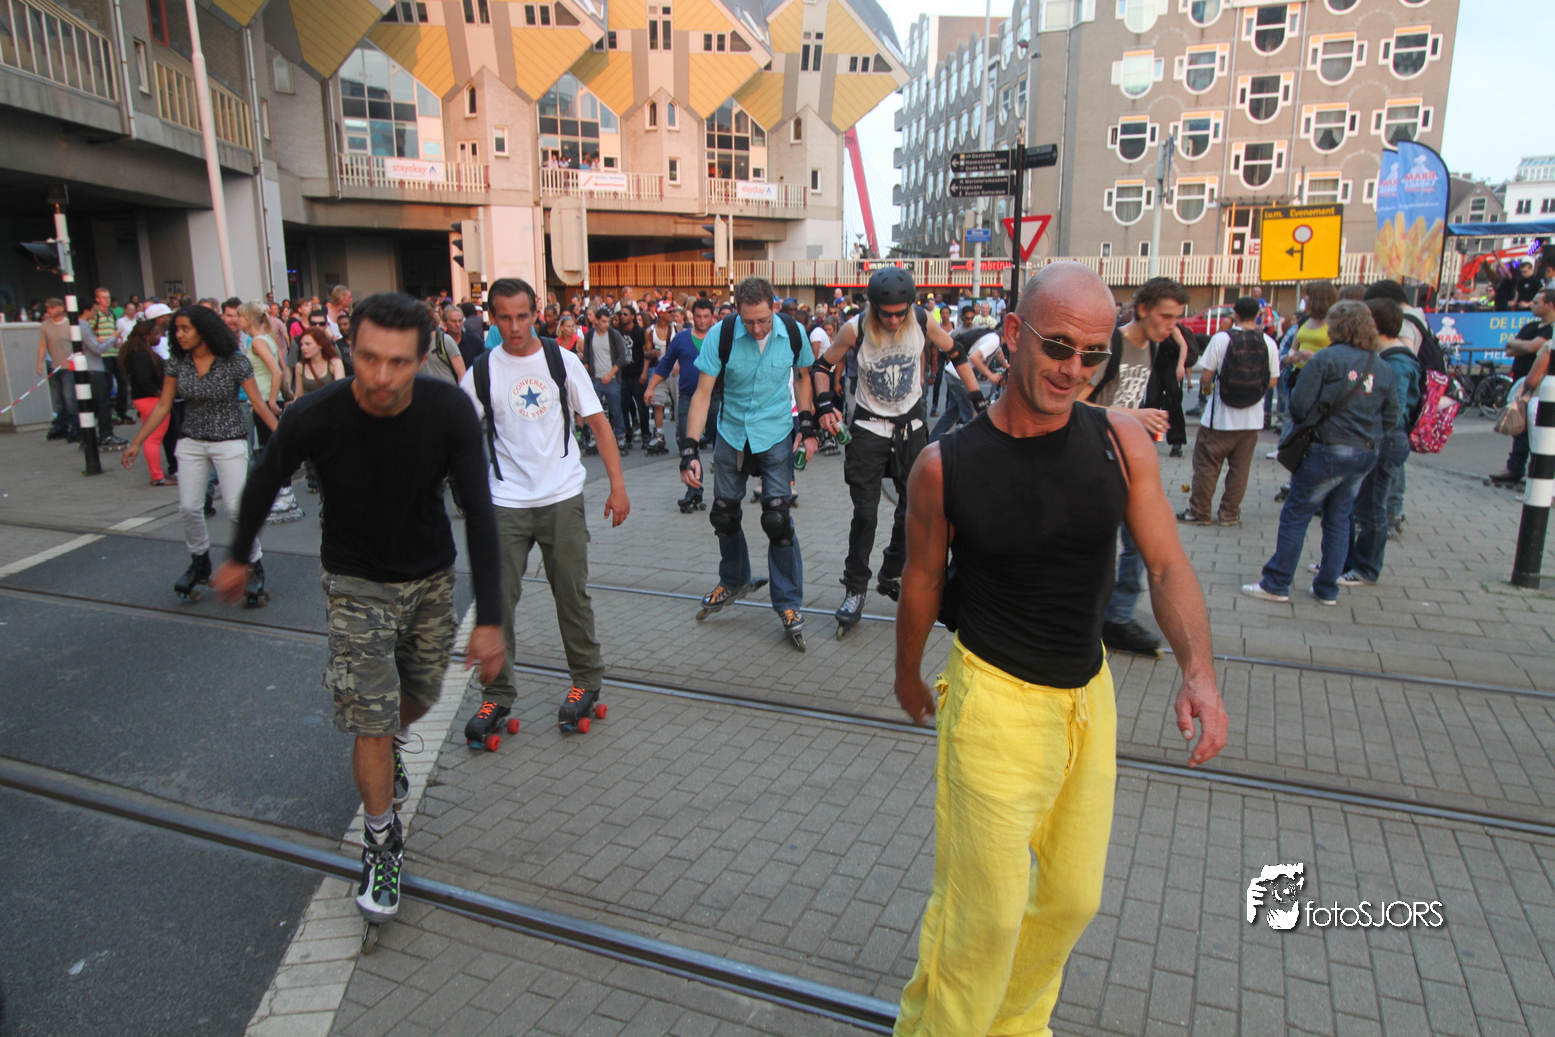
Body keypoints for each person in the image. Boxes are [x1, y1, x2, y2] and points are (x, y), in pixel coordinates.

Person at [891, 262, 1227, 1036]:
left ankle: (1011, 1024)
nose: (1074, 369)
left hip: (1087, 697)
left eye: (1093, 355)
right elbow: (920, 582)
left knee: (1073, 899)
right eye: (1058, 347)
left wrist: (1199, 674)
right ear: (1013, 335)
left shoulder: (1119, 440)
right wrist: (907, 672)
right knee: (983, 915)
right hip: (992, 701)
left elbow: (1166, 565)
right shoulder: (944, 465)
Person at [212, 291, 505, 930]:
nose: (380, 376)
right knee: (369, 720)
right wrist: (237, 556)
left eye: (398, 362)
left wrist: (490, 618)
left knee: (418, 697)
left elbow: (480, 510)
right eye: (368, 358)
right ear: (351, 350)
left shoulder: (449, 410)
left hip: (430, 577)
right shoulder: (313, 415)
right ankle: (381, 841)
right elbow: (264, 479)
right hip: (354, 580)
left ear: (423, 359)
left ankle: (394, 738)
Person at [458, 278, 629, 741]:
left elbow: (599, 424)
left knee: (571, 595)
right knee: (498, 602)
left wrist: (618, 486)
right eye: (504, 318)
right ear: (492, 318)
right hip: (505, 502)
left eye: (522, 316)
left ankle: (585, 681)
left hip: (561, 497)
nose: (515, 327)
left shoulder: (561, 361)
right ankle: (497, 695)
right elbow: (456, 434)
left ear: (536, 313)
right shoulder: (481, 372)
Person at [813, 267, 987, 633]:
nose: (893, 320)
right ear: (873, 307)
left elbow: (956, 352)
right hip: (868, 429)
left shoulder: (921, 320)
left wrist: (978, 400)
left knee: (915, 510)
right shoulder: (856, 328)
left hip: (911, 427)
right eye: (886, 314)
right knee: (866, 514)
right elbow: (822, 365)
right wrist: (825, 405)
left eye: (899, 313)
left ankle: (892, 570)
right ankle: (855, 588)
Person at [678, 277, 818, 649]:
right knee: (723, 515)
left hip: (775, 432)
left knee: (777, 519)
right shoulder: (721, 335)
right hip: (732, 433)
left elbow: (804, 377)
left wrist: (807, 425)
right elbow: (702, 394)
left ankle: (788, 604)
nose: (756, 329)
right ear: (737, 310)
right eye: (749, 321)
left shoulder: (792, 332)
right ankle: (734, 578)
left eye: (763, 320)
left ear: (774, 307)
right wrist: (689, 450)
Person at [1243, 301, 1397, 605]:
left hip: (1326, 447)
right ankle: (1327, 588)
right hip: (1364, 451)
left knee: (1296, 514)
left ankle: (1277, 582)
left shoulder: (1326, 358)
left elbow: (1299, 405)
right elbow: (1392, 415)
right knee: (1339, 518)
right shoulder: (1382, 366)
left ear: (1336, 326)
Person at [121, 306, 279, 601]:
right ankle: (199, 562)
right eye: (176, 330)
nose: (179, 335)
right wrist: (137, 442)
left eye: (186, 329)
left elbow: (258, 404)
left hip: (229, 439)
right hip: (191, 440)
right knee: (189, 508)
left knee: (236, 508)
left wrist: (285, 438)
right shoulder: (177, 363)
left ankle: (253, 565)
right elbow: (164, 405)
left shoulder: (234, 361)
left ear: (204, 331)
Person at [1081, 276, 1188, 658]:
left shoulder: (1153, 347)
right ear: (1143, 310)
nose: (1171, 326)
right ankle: (1095, 617)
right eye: (1166, 317)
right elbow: (1075, 403)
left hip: (1127, 456)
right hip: (1095, 457)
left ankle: (1118, 616)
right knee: (1097, 544)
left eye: (1176, 318)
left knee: (1143, 540)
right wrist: (1133, 416)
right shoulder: (1112, 345)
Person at [1339, 298, 1420, 585]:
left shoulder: (1397, 362)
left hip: (1385, 441)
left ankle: (1365, 569)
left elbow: (1395, 412)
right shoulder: (1386, 357)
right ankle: (1345, 562)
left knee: (1372, 508)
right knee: (1356, 504)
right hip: (1375, 438)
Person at [1180, 297, 1280, 527]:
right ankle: (1229, 514)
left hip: (1219, 419)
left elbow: (1206, 377)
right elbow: (1273, 381)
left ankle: (1200, 512)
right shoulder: (1269, 342)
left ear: (1234, 314)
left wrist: (1209, 389)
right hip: (1252, 421)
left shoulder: (1222, 339)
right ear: (1257, 315)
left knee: (1207, 466)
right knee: (1240, 470)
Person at [646, 298, 717, 510]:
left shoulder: (719, 337)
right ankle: (694, 490)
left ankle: (725, 492)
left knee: (722, 445)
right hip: (687, 397)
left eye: (706, 316)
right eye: (698, 316)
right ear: (692, 317)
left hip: (716, 397)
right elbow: (666, 364)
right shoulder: (681, 339)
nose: (702, 320)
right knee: (688, 444)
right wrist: (651, 387)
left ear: (712, 317)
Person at [1488, 287, 1553, 485]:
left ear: (1549, 305)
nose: (1532, 305)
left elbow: (1532, 347)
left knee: (1536, 432)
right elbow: (1509, 349)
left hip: (1537, 388)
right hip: (1521, 384)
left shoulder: (1551, 331)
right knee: (1521, 429)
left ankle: (1534, 475)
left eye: (1537, 302)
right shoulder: (1531, 327)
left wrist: (1521, 345)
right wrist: (1522, 345)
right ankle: (1515, 468)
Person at [119, 319, 173, 485]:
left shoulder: (138, 352)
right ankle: (157, 476)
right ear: (146, 336)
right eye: (155, 334)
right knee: (153, 438)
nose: (159, 337)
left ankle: (157, 475)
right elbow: (144, 380)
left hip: (145, 399)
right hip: (150, 400)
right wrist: (162, 395)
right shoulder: (142, 355)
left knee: (151, 437)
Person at [582, 307, 628, 453]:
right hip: (595, 378)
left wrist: (611, 374)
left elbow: (622, 357)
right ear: (596, 321)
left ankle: (620, 436)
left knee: (616, 409)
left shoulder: (614, 335)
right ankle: (595, 437)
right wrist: (585, 375)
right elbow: (587, 357)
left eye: (608, 321)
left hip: (612, 378)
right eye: (603, 321)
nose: (606, 324)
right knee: (595, 410)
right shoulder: (590, 335)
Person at [35, 298, 78, 442]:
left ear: (61, 308)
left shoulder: (70, 324)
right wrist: (39, 362)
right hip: (54, 366)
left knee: (69, 396)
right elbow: (43, 344)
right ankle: (62, 425)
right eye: (48, 308)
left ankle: (75, 425)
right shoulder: (45, 326)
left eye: (52, 308)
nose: (49, 310)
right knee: (58, 398)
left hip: (68, 366)